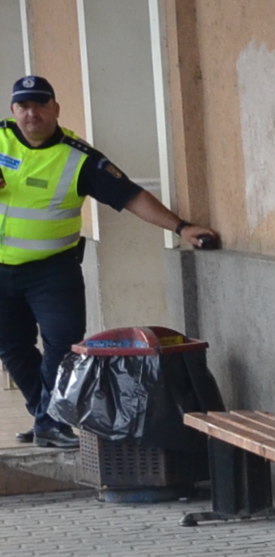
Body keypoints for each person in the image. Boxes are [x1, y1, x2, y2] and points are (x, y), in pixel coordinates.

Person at [0, 74, 218, 447]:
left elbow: (130, 195)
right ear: (13, 110)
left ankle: (50, 420)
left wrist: (181, 227)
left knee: (62, 345)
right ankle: (45, 416)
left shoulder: (78, 158)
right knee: (12, 347)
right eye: (24, 105)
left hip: (52, 270)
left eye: (40, 104)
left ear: (56, 108)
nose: (32, 113)